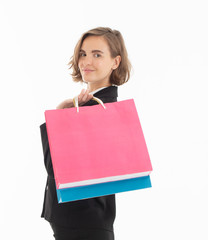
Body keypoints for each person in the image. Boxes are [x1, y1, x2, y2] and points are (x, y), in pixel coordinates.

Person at [40, 27, 132, 240]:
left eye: (97, 55)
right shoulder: (94, 107)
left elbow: (56, 169)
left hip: (84, 226)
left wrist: (56, 115)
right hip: (84, 224)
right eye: (83, 54)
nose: (85, 62)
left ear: (115, 62)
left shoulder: (99, 111)